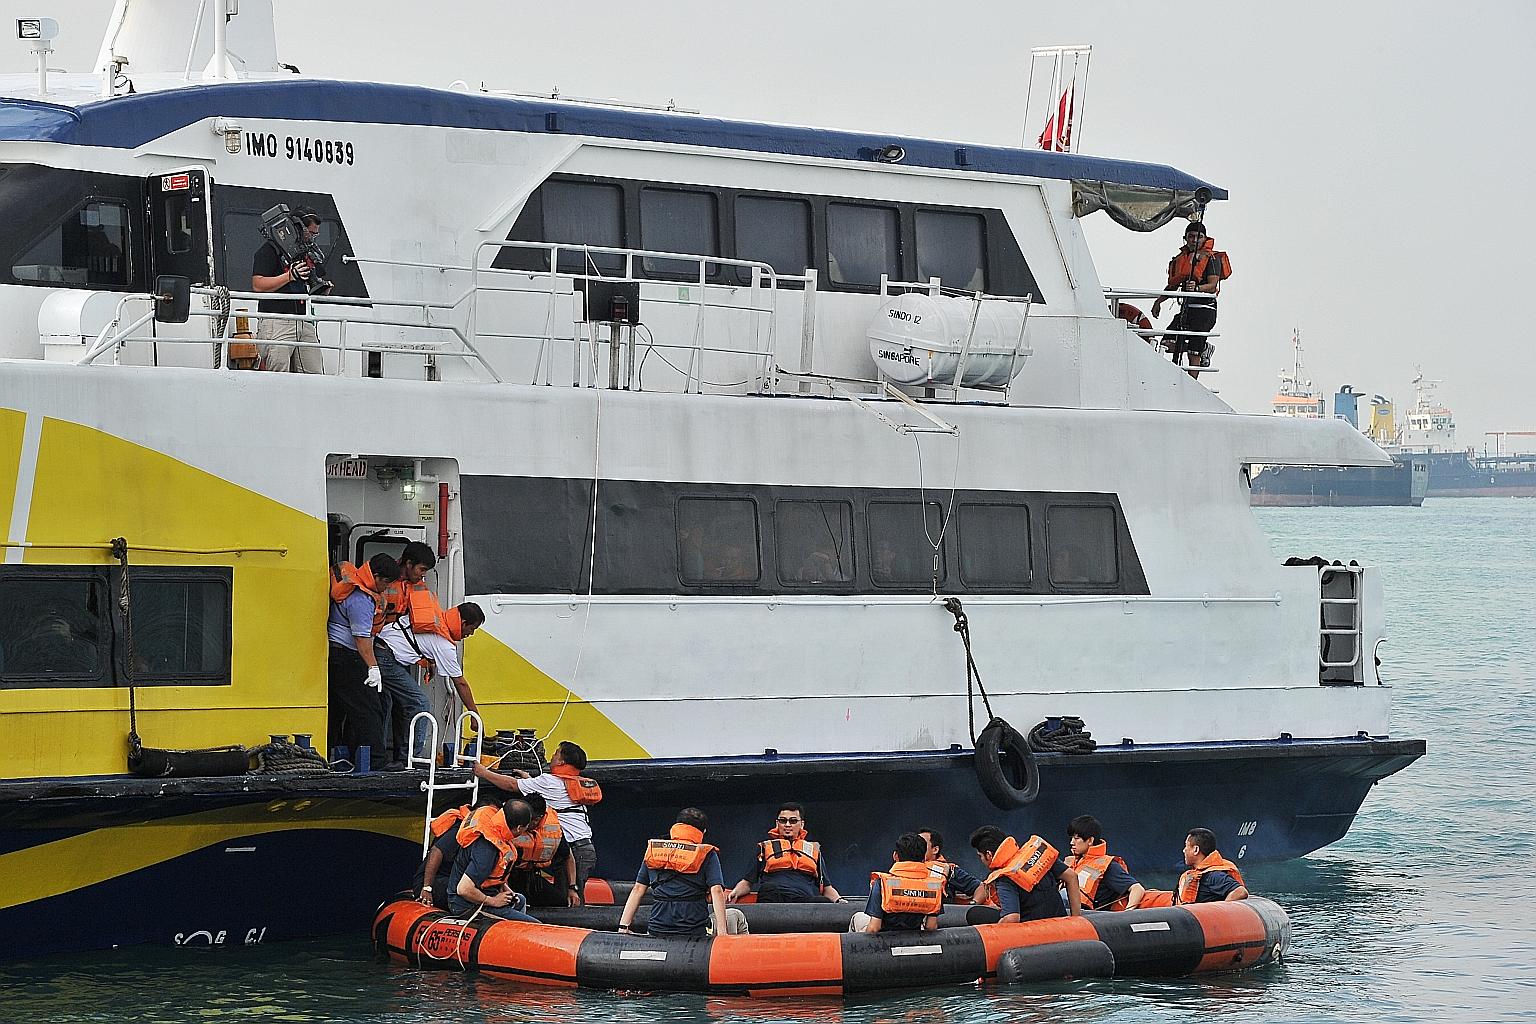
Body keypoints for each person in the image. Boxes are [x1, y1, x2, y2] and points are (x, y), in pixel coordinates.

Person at [474, 741, 602, 902]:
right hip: (585, 849)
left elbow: (512, 785)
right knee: (564, 897)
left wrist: (483, 772)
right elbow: (550, 793)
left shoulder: (548, 782)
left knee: (569, 901)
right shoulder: (575, 783)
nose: (552, 756)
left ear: (561, 762)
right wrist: (530, 780)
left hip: (573, 851)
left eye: (556, 753)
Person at [376, 595, 486, 768]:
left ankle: (380, 757)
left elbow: (421, 642)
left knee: (386, 704)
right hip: (386, 659)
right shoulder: (444, 644)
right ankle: (410, 759)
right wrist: (474, 715)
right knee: (420, 703)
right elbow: (460, 683)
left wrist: (430, 662)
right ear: (463, 623)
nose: (470, 634)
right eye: (471, 629)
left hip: (379, 647)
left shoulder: (437, 618)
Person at [617, 807, 746, 938]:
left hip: (657, 931)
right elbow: (717, 890)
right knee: (736, 915)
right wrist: (722, 933)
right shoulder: (707, 854)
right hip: (695, 934)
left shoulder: (654, 852)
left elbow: (638, 889)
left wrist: (623, 927)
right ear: (703, 832)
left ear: (677, 826)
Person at [326, 553, 400, 764]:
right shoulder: (361, 599)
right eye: (386, 583)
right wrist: (373, 668)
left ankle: (335, 755)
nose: (386, 588)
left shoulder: (354, 588)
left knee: (339, 710)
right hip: (347, 657)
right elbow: (361, 639)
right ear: (376, 576)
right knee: (369, 709)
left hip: (338, 657)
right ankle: (375, 760)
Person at [375, 541, 438, 768]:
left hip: (399, 655)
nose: (423, 575)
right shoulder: (384, 578)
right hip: (379, 651)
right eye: (421, 569)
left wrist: (425, 658)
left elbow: (420, 627)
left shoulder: (417, 587)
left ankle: (393, 758)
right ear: (408, 564)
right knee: (388, 703)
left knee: (395, 703)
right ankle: (393, 758)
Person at [251, 206, 331, 372]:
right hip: (277, 321)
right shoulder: (270, 250)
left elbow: (314, 276)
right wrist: (289, 276)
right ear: (298, 228)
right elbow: (258, 284)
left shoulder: (305, 252)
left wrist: (320, 288)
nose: (313, 237)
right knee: (278, 373)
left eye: (316, 234)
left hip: (303, 321)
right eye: (311, 233)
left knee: (314, 372)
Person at [447, 797, 541, 922]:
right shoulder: (487, 850)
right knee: (534, 925)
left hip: (484, 892)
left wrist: (504, 888)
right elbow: (464, 889)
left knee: (520, 900)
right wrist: (493, 901)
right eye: (526, 826)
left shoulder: (497, 827)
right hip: (466, 905)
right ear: (519, 828)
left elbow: (492, 875)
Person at [727, 803, 842, 904]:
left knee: (824, 902)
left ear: (802, 824)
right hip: (773, 896)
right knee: (768, 888)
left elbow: (827, 888)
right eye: (783, 821)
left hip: (803, 901)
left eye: (793, 821)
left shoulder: (814, 850)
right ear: (777, 823)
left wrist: (839, 900)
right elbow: (747, 882)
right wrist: (735, 892)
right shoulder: (764, 848)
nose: (787, 825)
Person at [1150, 221, 1226, 374]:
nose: (1194, 240)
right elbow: (1173, 284)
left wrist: (1197, 288)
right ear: (1185, 238)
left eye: (1199, 237)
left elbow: (1212, 285)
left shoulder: (1212, 258)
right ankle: (1204, 347)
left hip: (1205, 311)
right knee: (1167, 343)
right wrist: (1159, 301)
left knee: (1193, 352)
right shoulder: (1183, 259)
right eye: (1191, 236)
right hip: (1186, 310)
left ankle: (1193, 377)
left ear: (1205, 238)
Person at [969, 825, 1083, 923]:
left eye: (980, 856)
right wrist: (1075, 920)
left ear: (988, 854)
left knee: (975, 915)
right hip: (1062, 926)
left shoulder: (1004, 879)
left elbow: (1011, 918)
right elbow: (1071, 876)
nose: (981, 860)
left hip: (1035, 936)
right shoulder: (1039, 852)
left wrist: (993, 935)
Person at [416, 790, 503, 910]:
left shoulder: (486, 834)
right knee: (468, 893)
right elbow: (436, 851)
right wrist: (427, 888)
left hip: (456, 877)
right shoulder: (461, 828)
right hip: (436, 880)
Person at [852, 832, 946, 933]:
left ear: (895, 856)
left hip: (884, 937)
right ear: (923, 859)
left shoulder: (882, 883)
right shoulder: (934, 887)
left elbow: (874, 928)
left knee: (856, 918)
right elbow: (931, 926)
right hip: (914, 935)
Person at [506, 792, 580, 909]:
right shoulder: (511, 822)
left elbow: (567, 856)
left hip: (531, 877)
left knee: (560, 901)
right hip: (507, 877)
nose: (524, 824)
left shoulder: (552, 830)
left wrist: (572, 888)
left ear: (538, 818)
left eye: (528, 820)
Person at [1064, 815, 1145, 912]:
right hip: (1065, 910)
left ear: (1090, 840)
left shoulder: (1108, 866)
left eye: (1076, 838)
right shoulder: (1072, 862)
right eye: (1071, 838)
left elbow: (1137, 888)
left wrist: (1128, 912)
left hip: (1085, 914)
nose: (1071, 842)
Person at [1176, 827, 1249, 904]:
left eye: (1186, 846)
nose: (1184, 850)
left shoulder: (1213, 876)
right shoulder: (1202, 874)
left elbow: (1240, 892)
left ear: (1196, 850)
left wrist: (1220, 909)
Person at [917, 828, 987, 905]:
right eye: (916, 843)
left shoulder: (950, 871)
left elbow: (982, 888)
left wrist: (971, 905)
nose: (917, 847)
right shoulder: (906, 868)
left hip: (941, 912)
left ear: (935, 850)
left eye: (922, 844)